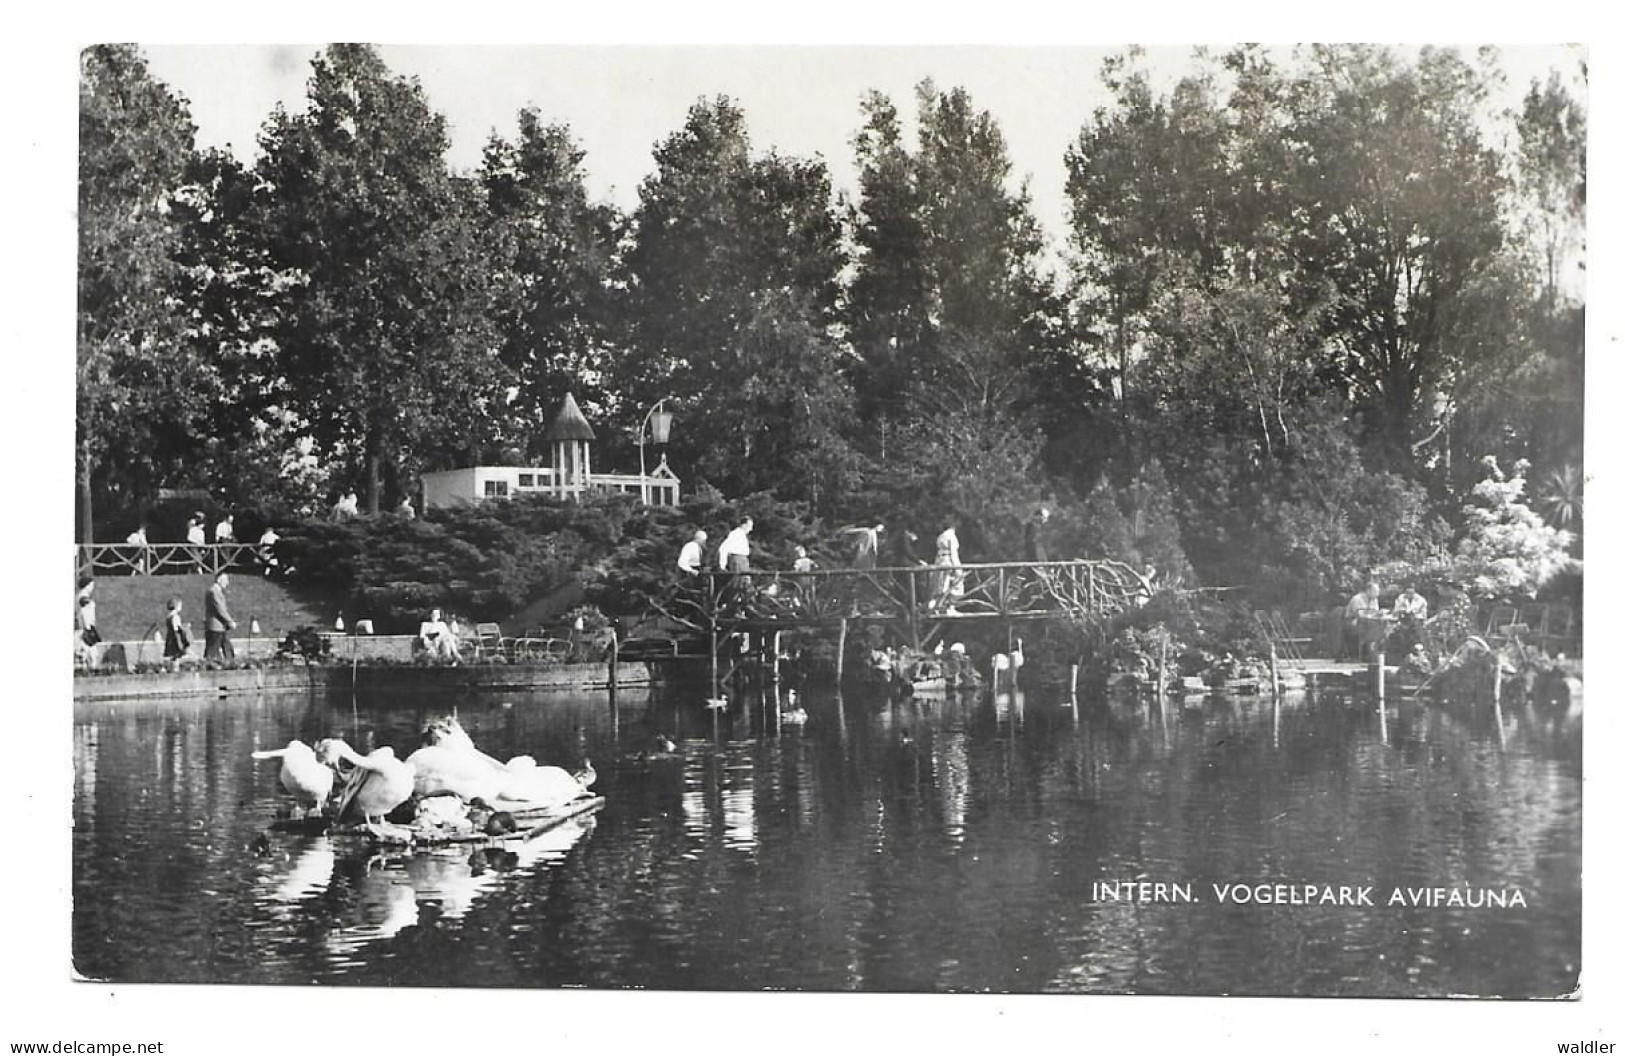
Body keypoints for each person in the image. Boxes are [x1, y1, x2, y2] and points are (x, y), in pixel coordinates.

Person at [1343, 581, 1383, 660]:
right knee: (1373, 629)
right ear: (1368, 591)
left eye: (1378, 592)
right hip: (1352, 622)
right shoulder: (1357, 599)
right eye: (1375, 591)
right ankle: (1371, 653)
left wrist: (1379, 614)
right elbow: (1360, 615)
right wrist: (1373, 615)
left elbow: (1375, 612)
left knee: (1381, 627)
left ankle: (1376, 651)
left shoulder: (1374, 600)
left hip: (1368, 623)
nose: (1377, 594)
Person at [204, 571, 237, 661]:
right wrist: (230, 621)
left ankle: (230, 663)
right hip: (215, 626)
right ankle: (209, 667)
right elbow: (220, 609)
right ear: (218, 580)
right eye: (225, 580)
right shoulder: (214, 592)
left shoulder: (215, 591)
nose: (227, 582)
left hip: (220, 626)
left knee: (227, 648)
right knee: (213, 650)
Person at [933, 524, 963, 613]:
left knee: (941, 584)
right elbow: (953, 553)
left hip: (940, 561)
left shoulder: (940, 537)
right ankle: (949, 607)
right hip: (949, 561)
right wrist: (957, 567)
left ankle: (938, 607)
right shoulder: (951, 537)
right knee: (956, 584)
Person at [75, 578, 100, 665]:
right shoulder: (83, 597)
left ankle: (89, 668)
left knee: (87, 651)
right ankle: (92, 669)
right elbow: (84, 612)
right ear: (87, 586)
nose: (92, 587)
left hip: (83, 627)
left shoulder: (80, 596)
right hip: (85, 627)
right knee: (90, 651)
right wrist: (88, 627)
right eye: (91, 585)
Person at [163, 596, 192, 667]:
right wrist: (186, 627)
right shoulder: (175, 616)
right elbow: (178, 627)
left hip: (170, 637)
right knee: (178, 653)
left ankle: (172, 665)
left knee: (174, 654)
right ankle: (175, 667)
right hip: (176, 638)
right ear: (176, 606)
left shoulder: (168, 616)